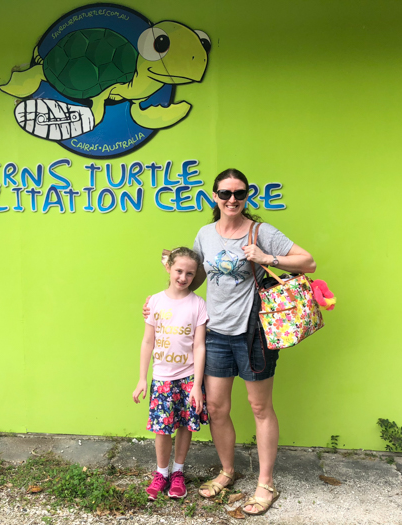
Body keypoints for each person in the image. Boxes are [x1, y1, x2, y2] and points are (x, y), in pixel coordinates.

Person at [143, 169, 316, 516]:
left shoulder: (260, 231)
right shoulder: (205, 235)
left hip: (254, 334)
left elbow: (308, 261)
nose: (232, 199)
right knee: (217, 409)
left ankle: (265, 483)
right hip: (216, 335)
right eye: (225, 193)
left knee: (259, 408)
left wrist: (267, 258)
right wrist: (161, 301)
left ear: (247, 195)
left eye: (239, 193)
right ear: (215, 197)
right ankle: (227, 471)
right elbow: (192, 276)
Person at [132, 247, 210, 501]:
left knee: (186, 425)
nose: (183, 277)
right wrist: (143, 378)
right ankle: (161, 473)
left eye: (189, 273)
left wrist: (197, 385)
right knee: (162, 429)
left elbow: (199, 345)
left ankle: (178, 472)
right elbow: (147, 342)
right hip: (162, 379)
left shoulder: (198, 304)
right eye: (179, 271)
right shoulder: (154, 301)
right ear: (168, 268)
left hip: (188, 379)